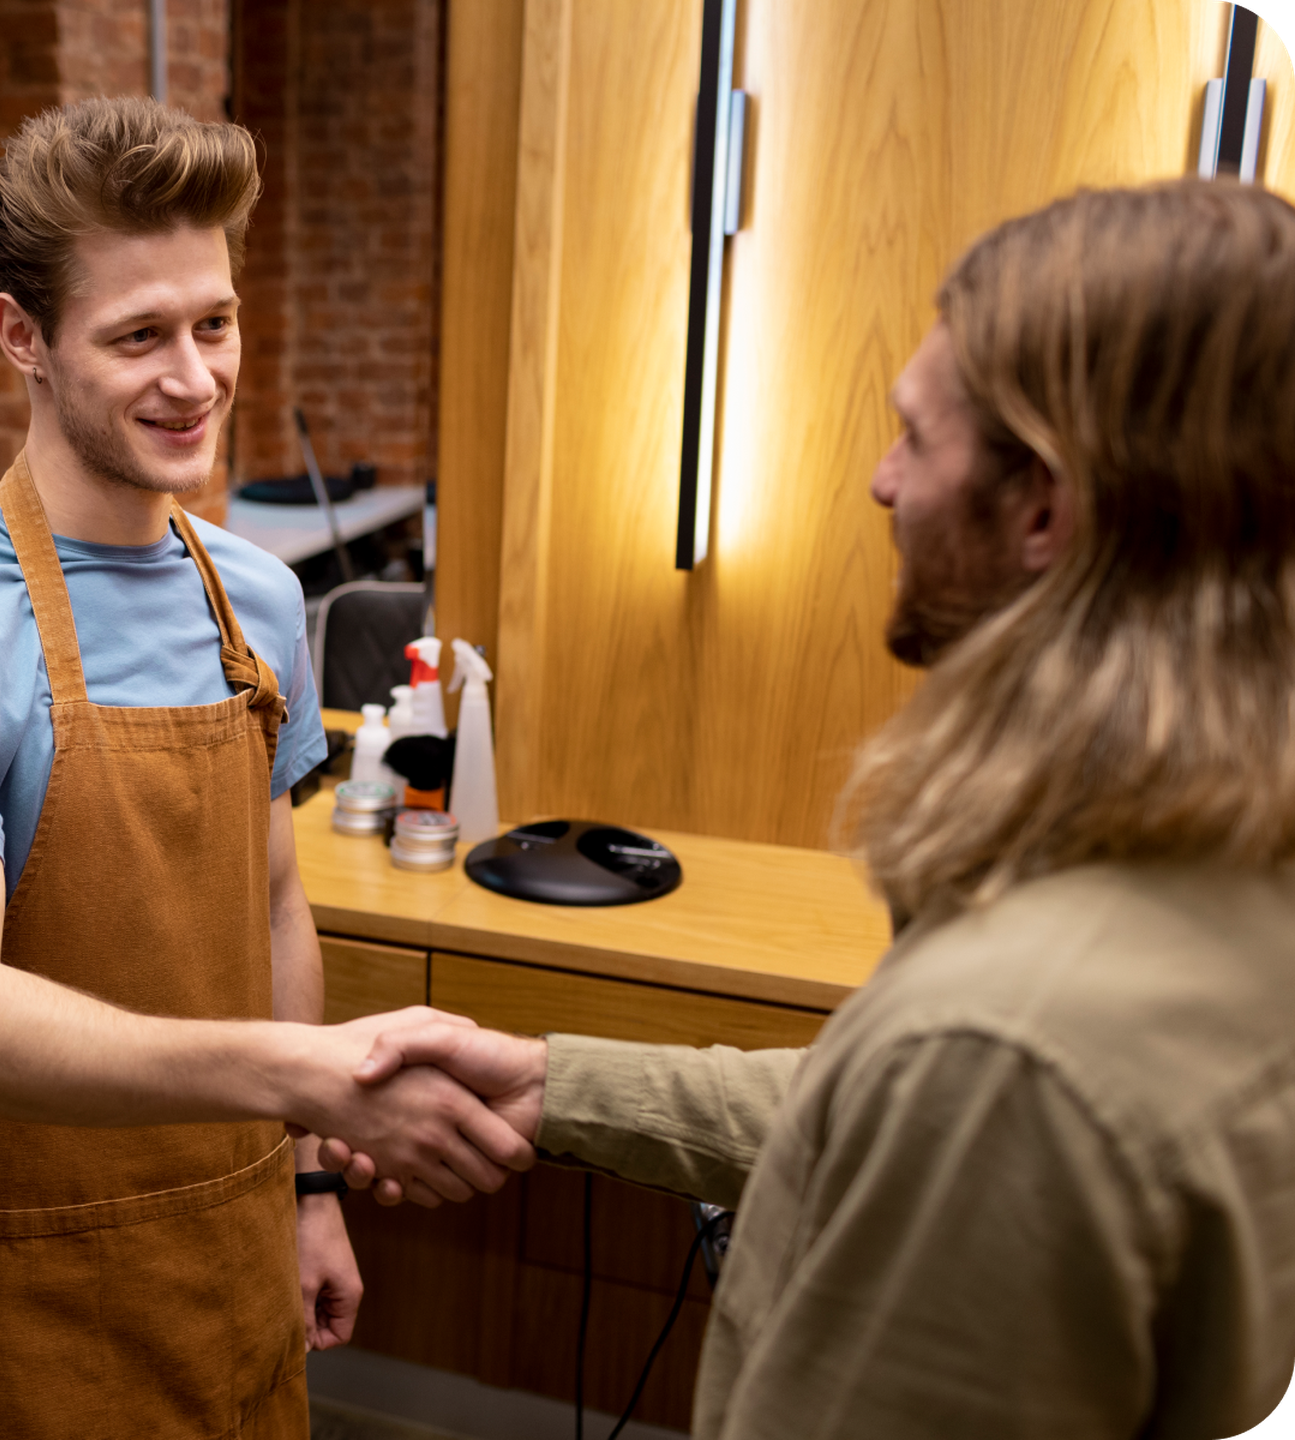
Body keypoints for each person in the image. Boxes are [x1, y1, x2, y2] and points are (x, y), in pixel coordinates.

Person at [328, 180, 1295, 1438]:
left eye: (917, 438)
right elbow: (877, 1115)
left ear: (1045, 507)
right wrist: (553, 1084)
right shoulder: (1211, 871)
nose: (885, 484)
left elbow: (951, 1096)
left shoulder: (1009, 1051)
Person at [0, 97, 532, 1440]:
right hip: (28, 1301)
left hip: (233, 1257)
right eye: (138, 336)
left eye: (214, 324)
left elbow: (270, 908)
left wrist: (308, 1189)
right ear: (21, 337)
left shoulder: (259, 603)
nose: (196, 378)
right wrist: (303, 1077)